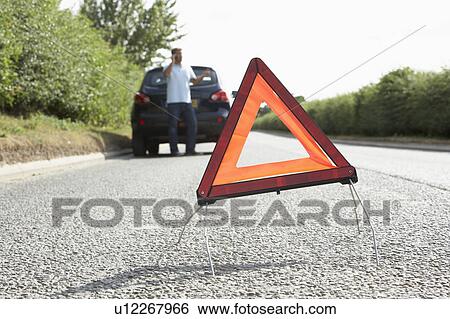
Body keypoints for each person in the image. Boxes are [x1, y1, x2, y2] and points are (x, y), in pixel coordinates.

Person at [163, 48, 209, 156]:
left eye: (181, 54)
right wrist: (172, 61)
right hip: (173, 102)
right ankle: (174, 151)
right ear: (174, 55)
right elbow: (166, 74)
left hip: (186, 102)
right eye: (178, 54)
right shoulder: (168, 67)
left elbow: (194, 81)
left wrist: (203, 75)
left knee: (192, 125)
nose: (181, 56)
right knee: (173, 126)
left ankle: (190, 150)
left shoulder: (187, 68)